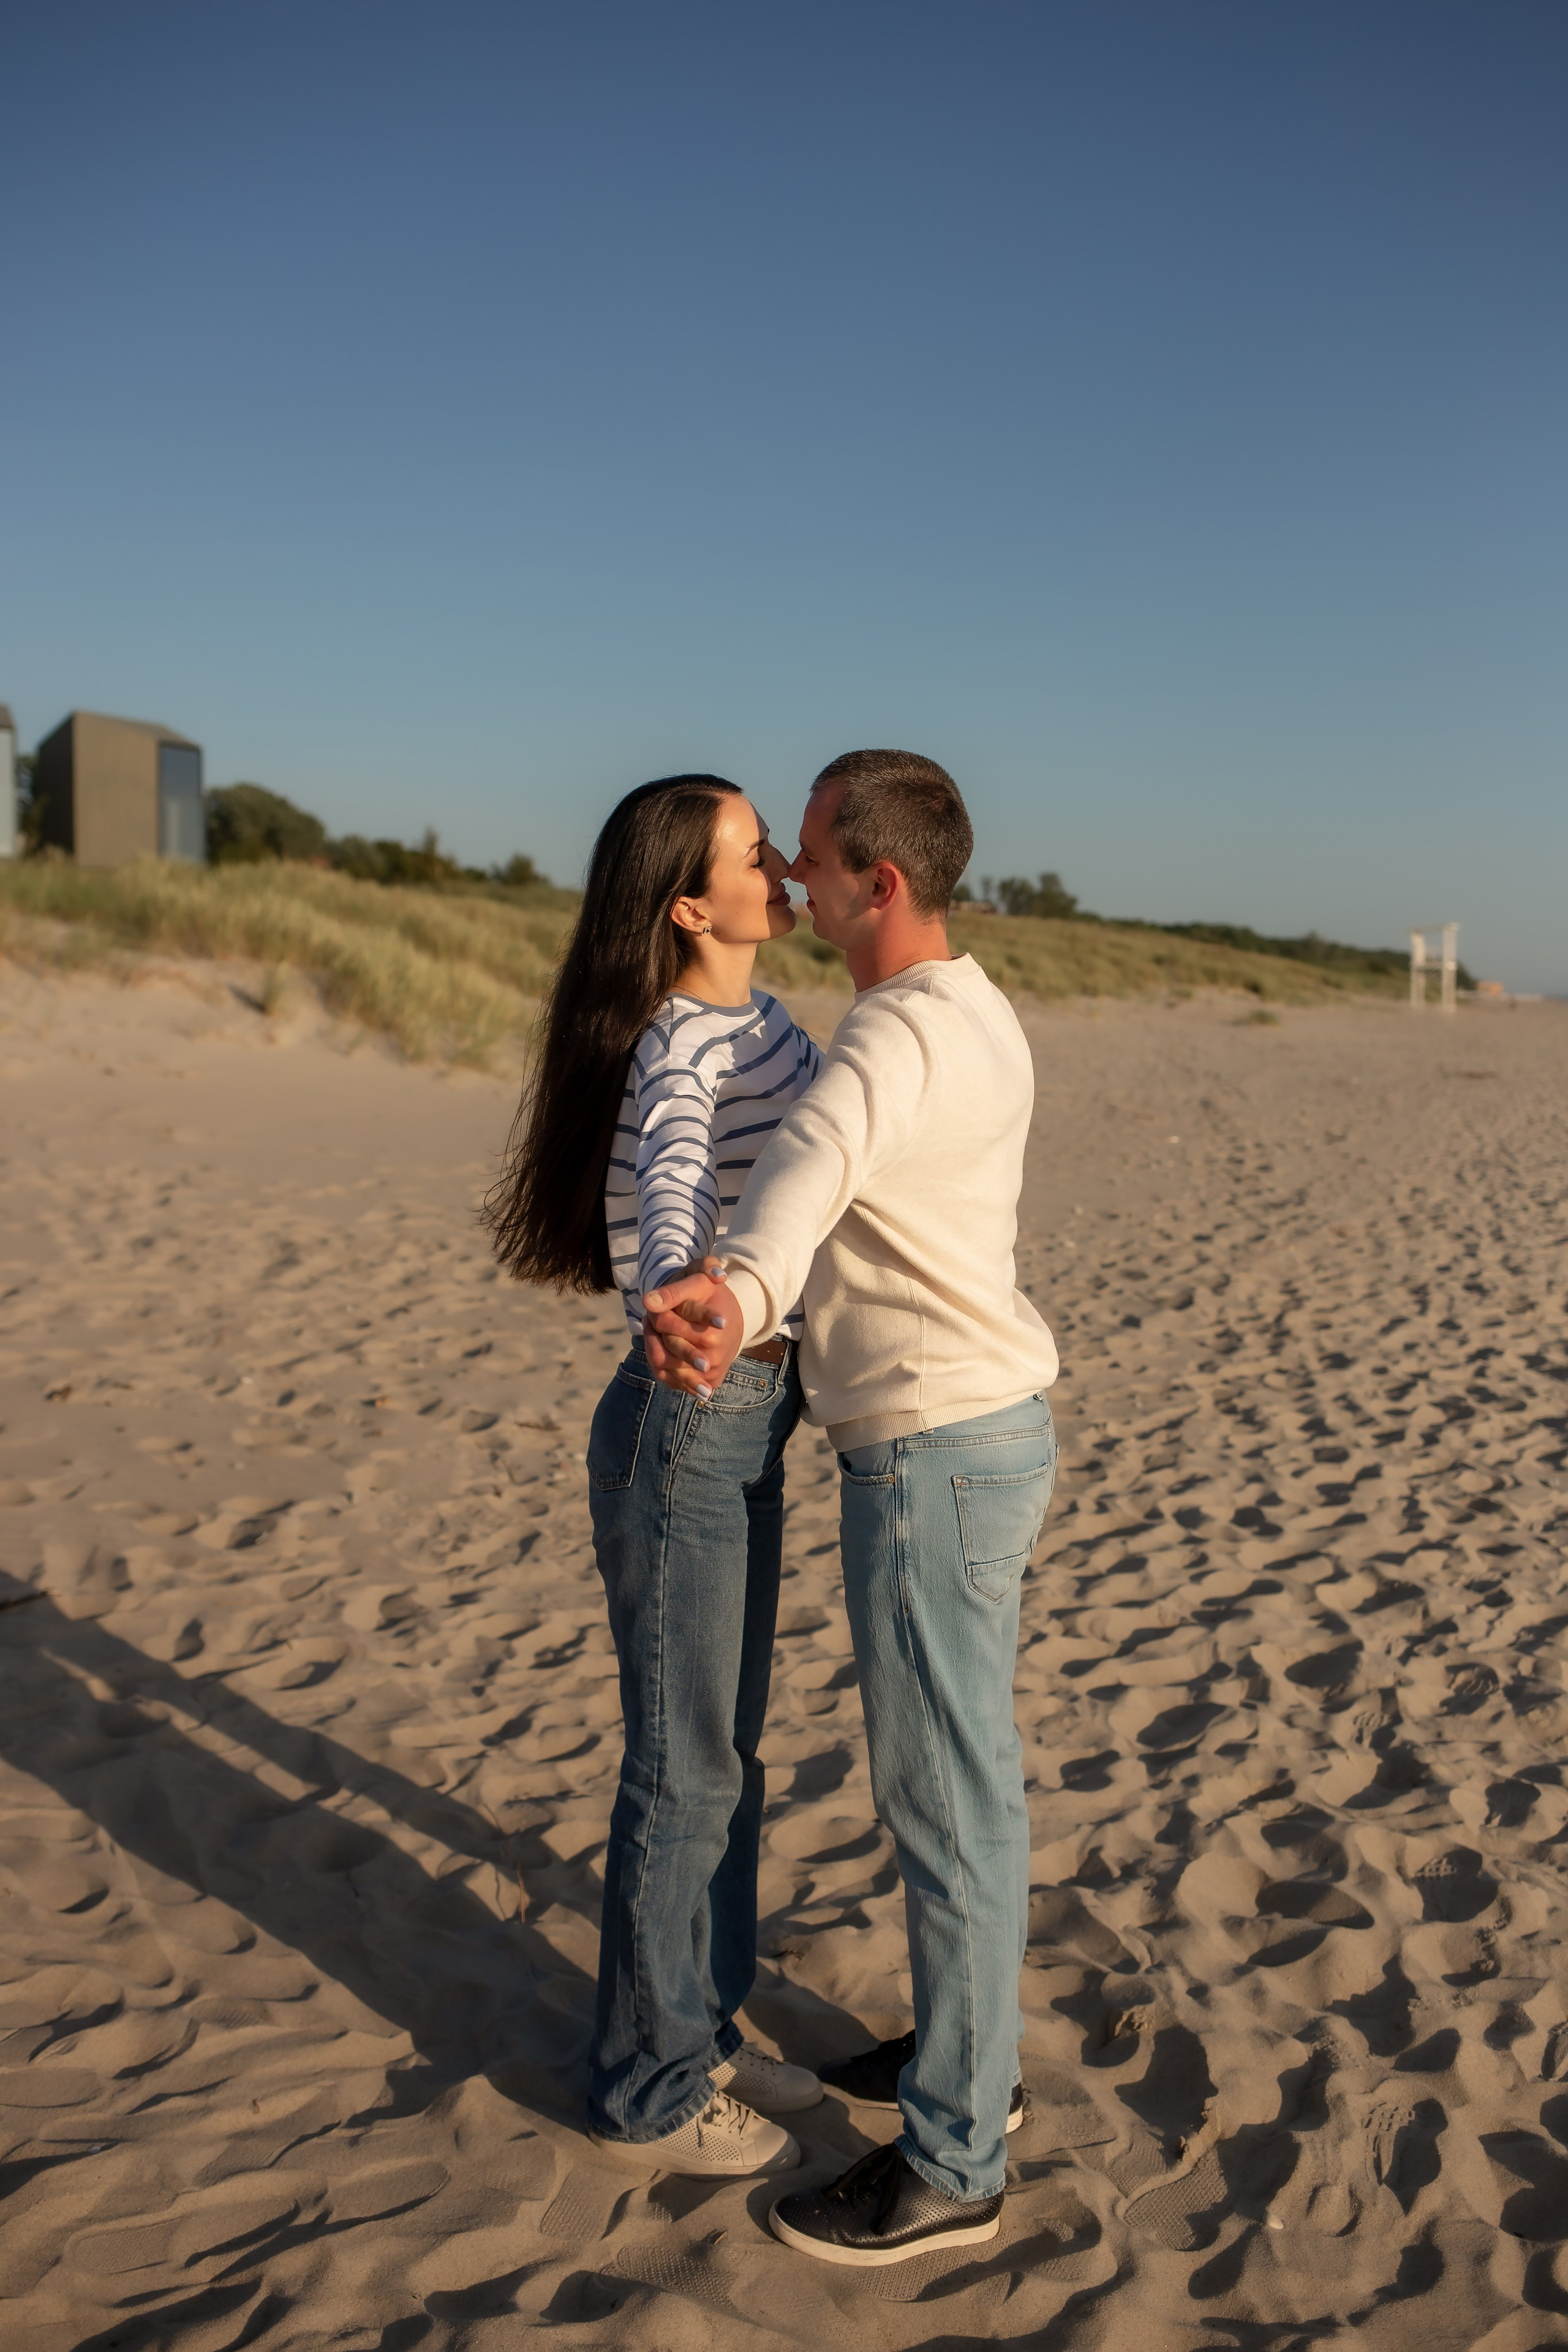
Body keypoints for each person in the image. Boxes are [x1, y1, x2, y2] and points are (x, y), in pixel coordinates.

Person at [645, 749, 1059, 2264]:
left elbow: (803, 1178)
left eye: (812, 857)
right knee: (973, 1794)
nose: (796, 880)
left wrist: (731, 1287)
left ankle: (952, 2163)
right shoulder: (977, 1008)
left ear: (880, 884)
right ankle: (975, 2073)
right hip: (987, 1435)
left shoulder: (891, 1042)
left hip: (932, 1456)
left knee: (946, 1809)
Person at [486, 772, 825, 2178]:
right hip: (690, 1416)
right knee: (684, 1770)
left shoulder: (772, 1024)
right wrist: (688, 1298)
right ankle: (647, 2086)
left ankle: (701, 2015)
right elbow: (674, 1200)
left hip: (751, 1415)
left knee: (725, 1762)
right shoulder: (683, 1048)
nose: (784, 871)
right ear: (692, 905)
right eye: (757, 855)